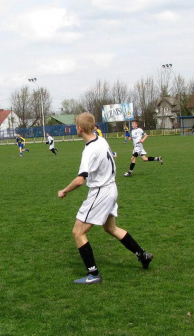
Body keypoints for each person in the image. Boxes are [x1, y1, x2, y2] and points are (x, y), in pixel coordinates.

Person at [57, 112, 152, 284]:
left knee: (78, 232)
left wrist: (64, 191)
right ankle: (143, 255)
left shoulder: (89, 150)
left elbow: (80, 180)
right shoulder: (101, 140)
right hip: (111, 188)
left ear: (79, 128)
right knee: (111, 228)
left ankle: (93, 274)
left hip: (100, 192)